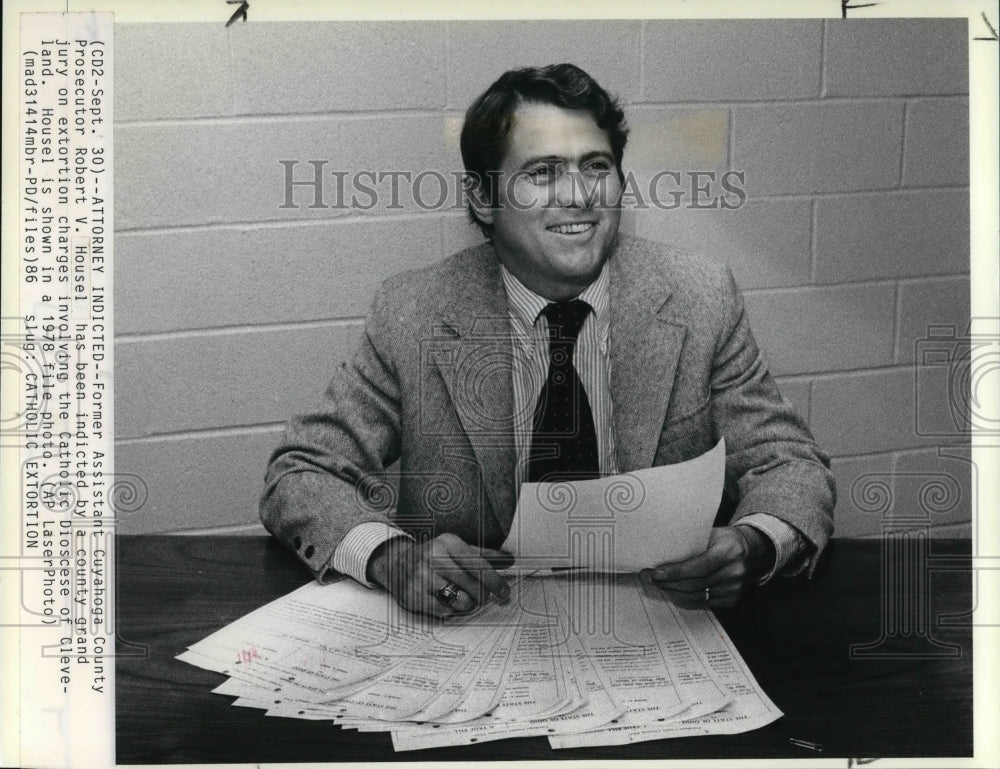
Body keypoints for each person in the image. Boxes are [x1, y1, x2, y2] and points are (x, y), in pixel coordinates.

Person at [260, 63, 835, 618]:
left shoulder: (700, 296)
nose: (580, 196)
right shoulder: (414, 312)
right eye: (542, 173)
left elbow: (791, 465)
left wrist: (752, 545)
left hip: (661, 622)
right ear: (484, 199)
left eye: (596, 166)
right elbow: (302, 472)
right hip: (476, 626)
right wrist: (394, 559)